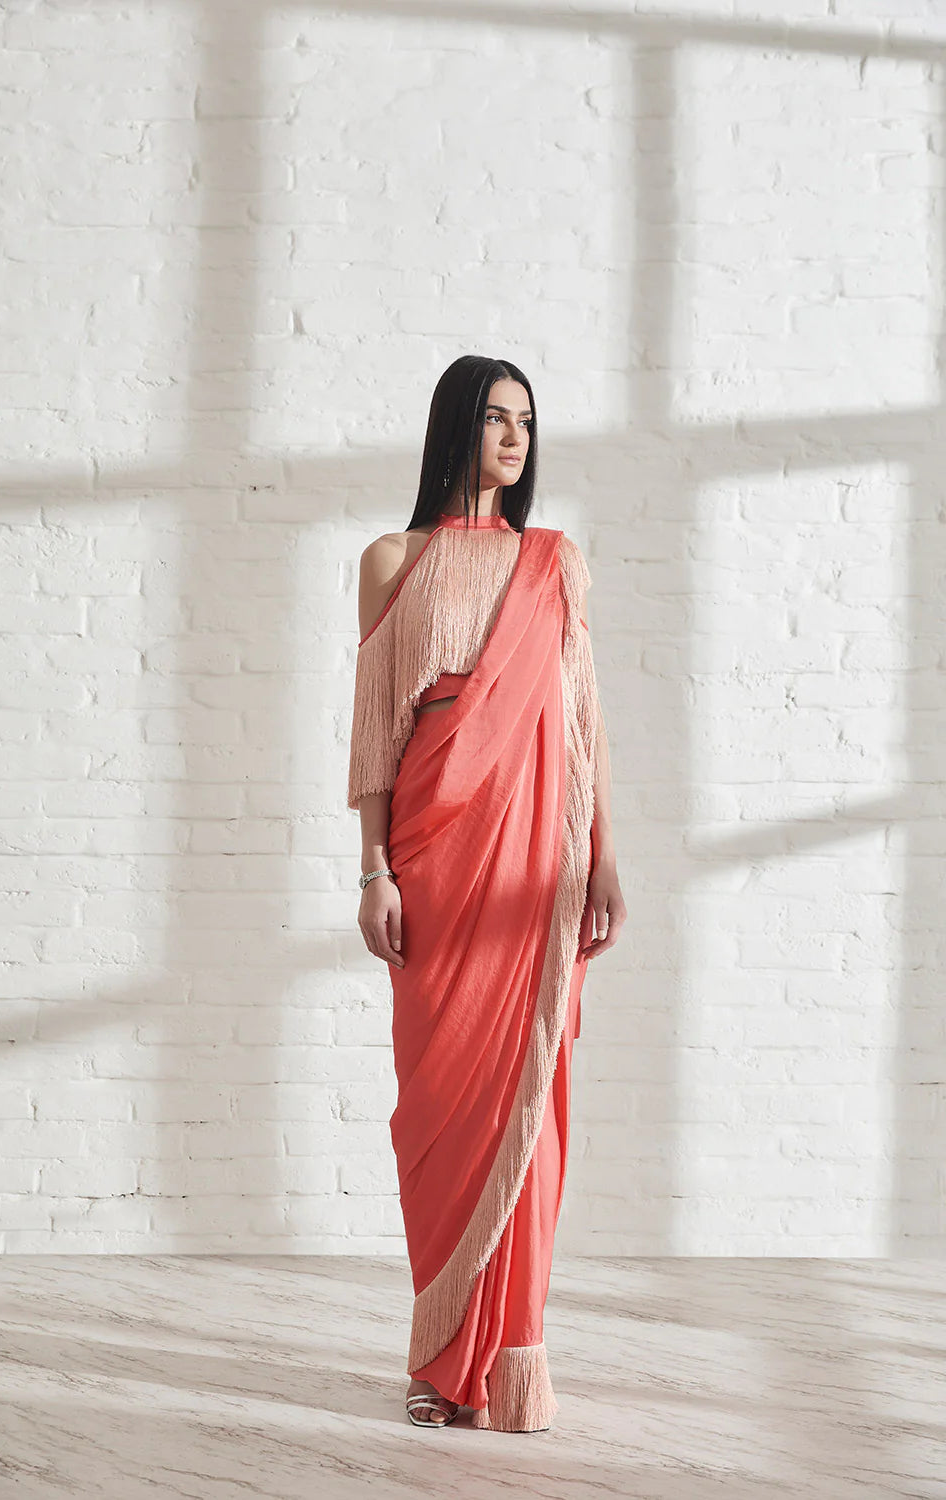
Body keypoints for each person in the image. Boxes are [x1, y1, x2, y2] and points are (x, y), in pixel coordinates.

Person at [347, 354, 626, 1432]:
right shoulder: (391, 559)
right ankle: (438, 1357)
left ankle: (507, 1359)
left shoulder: (554, 563)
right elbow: (375, 726)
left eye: (526, 421)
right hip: (433, 849)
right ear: (454, 427)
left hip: (533, 861)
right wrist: (374, 869)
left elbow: (585, 721)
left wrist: (603, 855)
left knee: (530, 1099)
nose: (514, 438)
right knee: (433, 1107)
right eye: (495, 418)